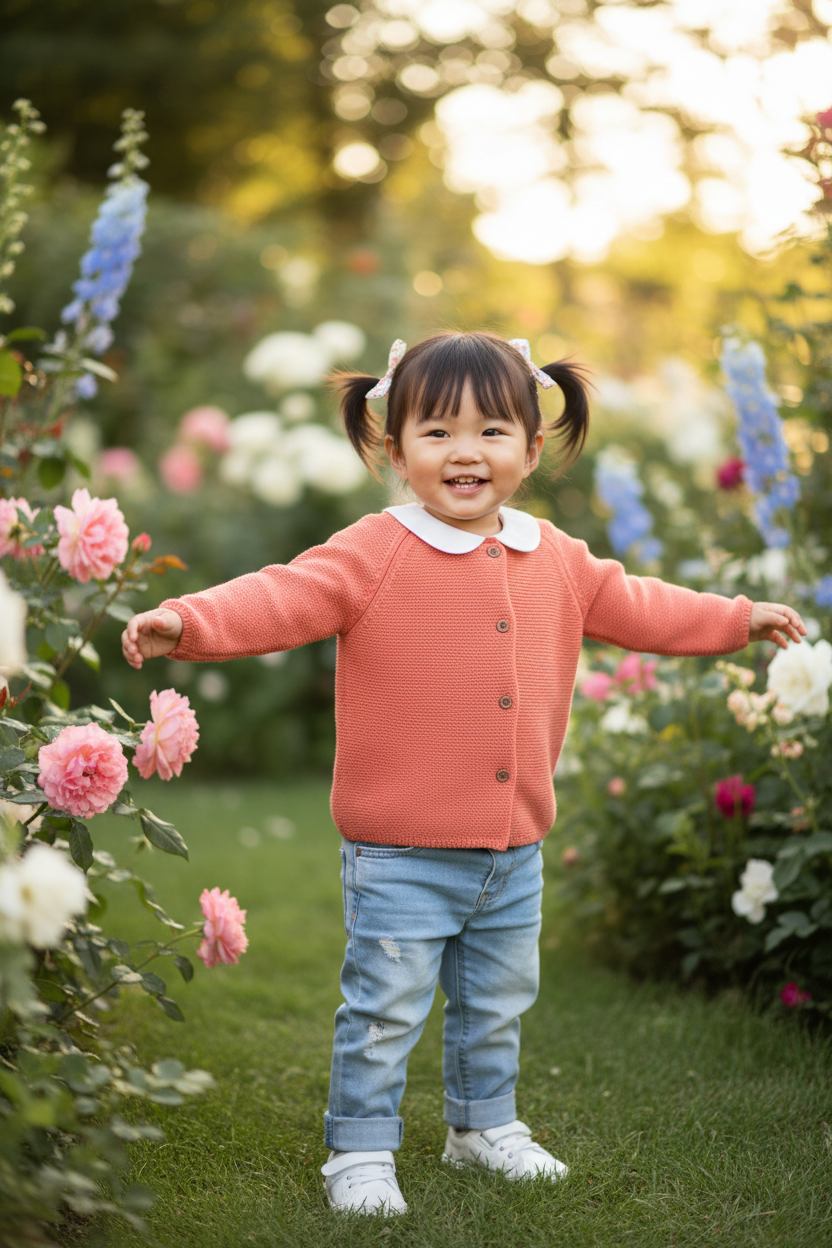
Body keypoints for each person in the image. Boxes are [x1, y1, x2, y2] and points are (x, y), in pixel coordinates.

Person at [122, 331, 806, 1216]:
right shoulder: (374, 550)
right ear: (393, 446)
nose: (465, 452)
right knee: (385, 1009)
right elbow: (281, 593)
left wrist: (736, 617)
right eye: (437, 432)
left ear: (531, 445)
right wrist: (189, 619)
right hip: (401, 847)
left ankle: (481, 1126)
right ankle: (360, 1149)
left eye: (491, 431)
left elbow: (642, 604)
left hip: (513, 844)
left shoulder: (554, 555)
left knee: (497, 1002)